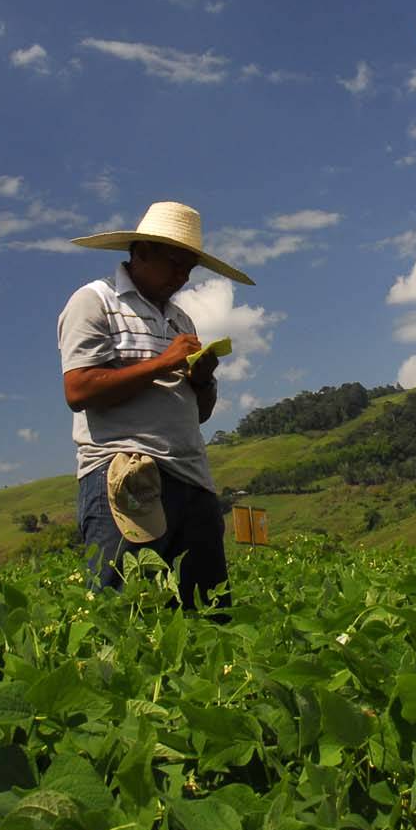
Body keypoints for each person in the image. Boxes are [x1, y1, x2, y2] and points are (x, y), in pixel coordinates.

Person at [59, 201, 254, 608]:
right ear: (142, 252)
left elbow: (199, 413)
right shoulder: (95, 301)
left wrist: (202, 380)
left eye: (189, 269)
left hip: (191, 479)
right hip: (127, 471)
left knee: (207, 612)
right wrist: (164, 362)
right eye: (174, 264)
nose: (182, 277)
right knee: (125, 609)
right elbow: (79, 390)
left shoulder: (181, 321)